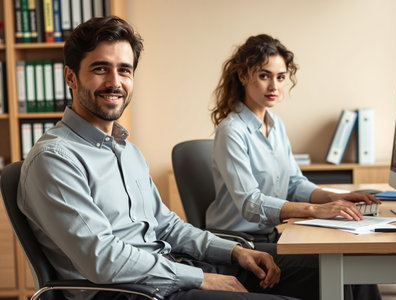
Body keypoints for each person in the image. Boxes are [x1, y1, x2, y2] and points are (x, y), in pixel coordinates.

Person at [17, 18, 301, 300]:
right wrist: (203, 279)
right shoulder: (54, 159)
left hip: (168, 272)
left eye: (124, 70)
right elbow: (103, 260)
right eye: (100, 69)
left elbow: (167, 226)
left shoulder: (127, 151)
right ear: (70, 77)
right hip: (131, 293)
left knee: (315, 270)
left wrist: (235, 252)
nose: (115, 82)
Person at [207, 34, 382, 300]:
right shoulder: (231, 131)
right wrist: (316, 210)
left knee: (355, 262)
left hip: (273, 236)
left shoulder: (276, 125)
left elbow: (294, 184)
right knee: (340, 269)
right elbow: (251, 204)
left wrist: (337, 198)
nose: (273, 85)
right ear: (242, 75)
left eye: (280, 77)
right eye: (264, 75)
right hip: (240, 245)